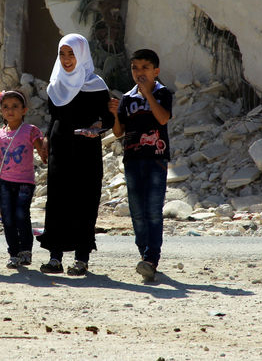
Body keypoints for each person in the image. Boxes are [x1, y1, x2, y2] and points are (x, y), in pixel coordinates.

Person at [37, 33, 114, 276]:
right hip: (60, 149)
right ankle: (54, 258)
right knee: (58, 201)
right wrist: (46, 140)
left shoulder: (96, 85)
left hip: (86, 150)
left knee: (84, 201)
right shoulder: (55, 85)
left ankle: (81, 259)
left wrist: (97, 129)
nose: (67, 59)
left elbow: (108, 119)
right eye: (62, 53)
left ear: (82, 54)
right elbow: (53, 118)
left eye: (72, 53)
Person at [108, 49, 172, 282]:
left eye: (145, 68)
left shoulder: (162, 93)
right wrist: (115, 115)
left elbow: (163, 118)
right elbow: (118, 132)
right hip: (132, 158)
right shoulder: (127, 98)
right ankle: (144, 254)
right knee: (137, 211)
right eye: (135, 67)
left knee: (153, 210)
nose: (139, 72)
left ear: (155, 71)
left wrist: (148, 94)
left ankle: (151, 258)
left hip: (156, 157)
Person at [0, 90, 48, 269]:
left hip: (25, 182)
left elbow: (42, 151)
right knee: (8, 218)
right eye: (6, 107)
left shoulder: (30, 131)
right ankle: (13, 253)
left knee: (21, 214)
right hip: (5, 182)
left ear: (24, 110)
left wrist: (45, 148)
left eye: (15, 106)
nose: (10, 110)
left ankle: (26, 251)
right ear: (1, 111)